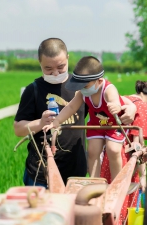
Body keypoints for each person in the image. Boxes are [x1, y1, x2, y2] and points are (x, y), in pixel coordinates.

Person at [43, 56, 137, 181]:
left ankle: (116, 182)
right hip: (96, 125)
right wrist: (56, 122)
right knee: (92, 151)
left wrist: (116, 106)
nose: (83, 89)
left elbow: (115, 101)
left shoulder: (108, 89)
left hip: (114, 124)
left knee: (113, 150)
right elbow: (71, 107)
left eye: (85, 86)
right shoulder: (83, 93)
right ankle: (94, 182)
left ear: (99, 81)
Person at [14, 38, 88, 188]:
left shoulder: (82, 87)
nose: (55, 73)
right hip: (41, 173)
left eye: (61, 67)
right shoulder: (33, 90)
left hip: (76, 172)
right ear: (40, 63)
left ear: (67, 58)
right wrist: (40, 123)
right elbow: (18, 128)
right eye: (48, 69)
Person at [100, 80, 147, 225]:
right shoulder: (142, 106)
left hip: (109, 154)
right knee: (123, 197)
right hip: (125, 159)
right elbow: (136, 145)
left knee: (107, 195)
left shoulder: (124, 99)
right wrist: (143, 175)